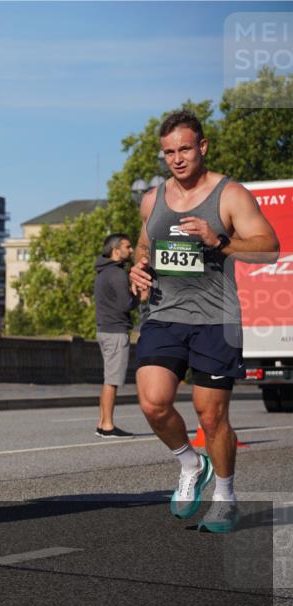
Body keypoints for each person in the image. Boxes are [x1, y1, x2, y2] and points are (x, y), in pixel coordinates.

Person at [129, 110, 278, 533]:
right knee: (153, 402)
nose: (177, 159)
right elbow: (144, 244)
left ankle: (226, 498)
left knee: (211, 417)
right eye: (169, 152)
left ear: (203, 147)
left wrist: (220, 241)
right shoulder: (152, 198)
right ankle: (191, 464)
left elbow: (270, 247)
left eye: (185, 149)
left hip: (217, 319)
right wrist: (138, 269)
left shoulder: (229, 194)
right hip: (164, 314)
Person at [94, 233, 139, 438]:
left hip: (104, 330)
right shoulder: (118, 274)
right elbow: (125, 305)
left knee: (108, 379)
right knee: (112, 380)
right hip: (116, 331)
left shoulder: (103, 272)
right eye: (127, 247)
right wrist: (140, 296)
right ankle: (108, 425)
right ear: (115, 249)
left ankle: (102, 423)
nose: (131, 250)